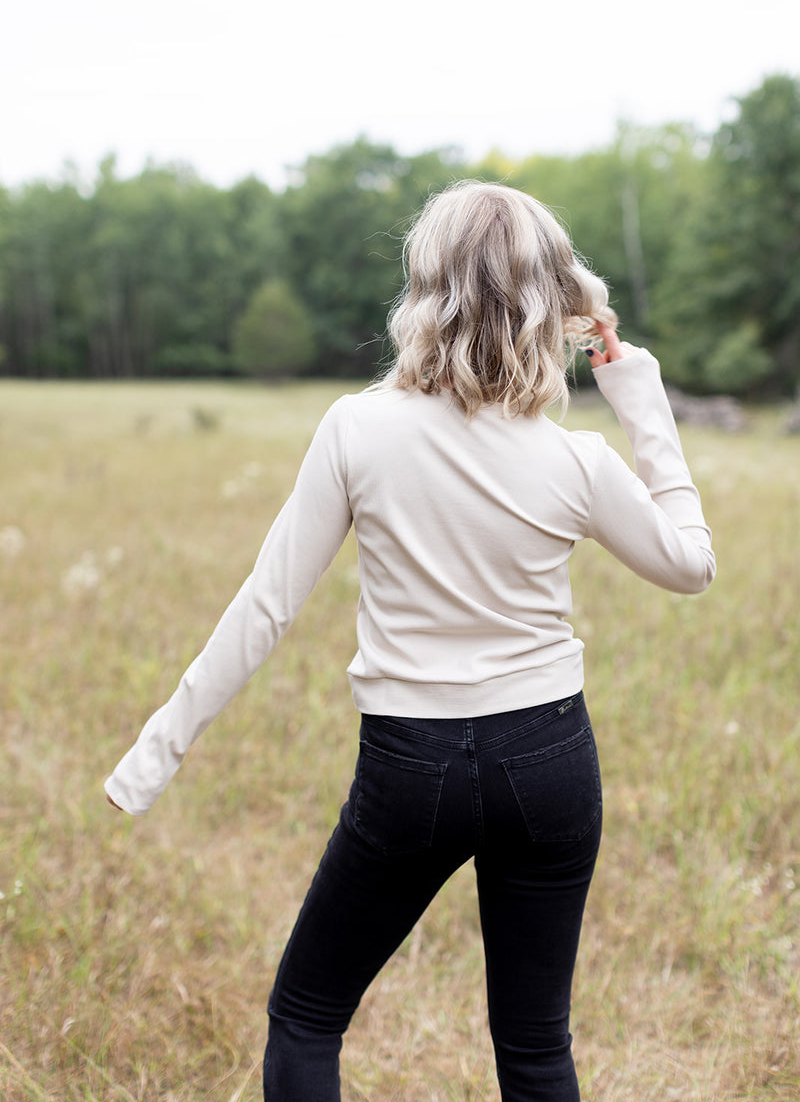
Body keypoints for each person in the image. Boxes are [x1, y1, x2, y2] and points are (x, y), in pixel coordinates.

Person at [105, 180, 715, 1101]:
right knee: (537, 1048)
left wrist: (156, 754)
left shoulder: (359, 429)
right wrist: (637, 389)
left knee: (307, 1018)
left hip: (412, 767)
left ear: (423, 291)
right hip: (551, 760)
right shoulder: (575, 460)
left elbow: (267, 606)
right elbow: (690, 565)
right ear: (555, 303)